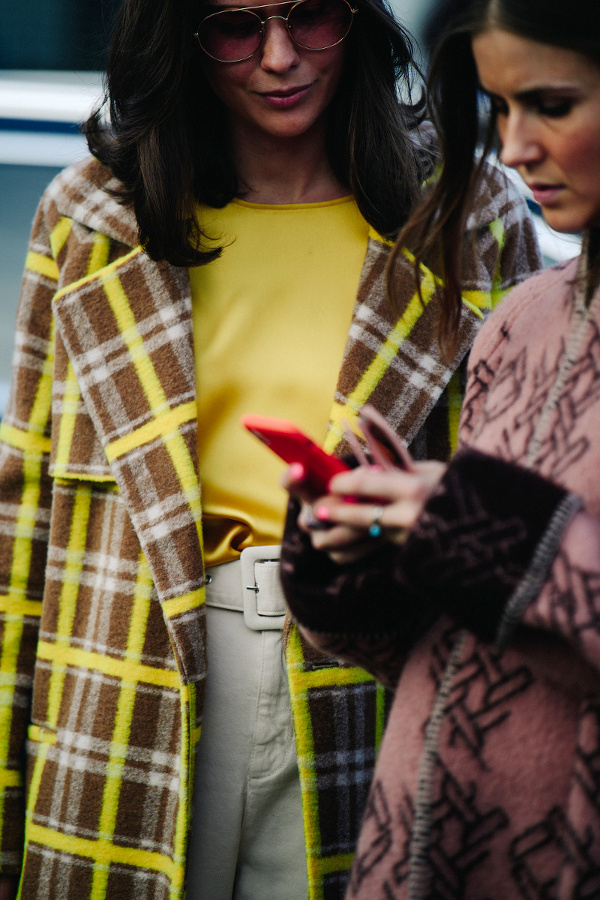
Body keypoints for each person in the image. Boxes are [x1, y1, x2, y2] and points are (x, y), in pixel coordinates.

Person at [0, 0, 541, 897]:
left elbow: (518, 505)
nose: (280, 57)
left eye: (311, 14)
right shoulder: (90, 217)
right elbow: (20, 514)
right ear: (178, 37)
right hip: (124, 676)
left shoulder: (468, 211)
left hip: (379, 675)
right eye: (234, 26)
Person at [280, 0, 600, 896]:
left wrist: (488, 527)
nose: (517, 147)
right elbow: (459, 655)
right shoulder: (518, 322)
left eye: (552, 105)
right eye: (499, 108)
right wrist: (366, 552)